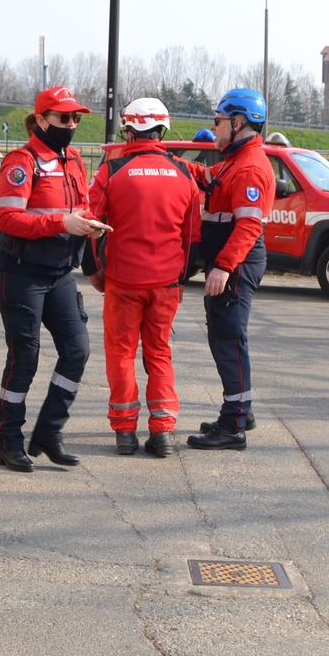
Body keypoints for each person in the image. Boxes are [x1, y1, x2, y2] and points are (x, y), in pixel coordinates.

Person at [0, 86, 106, 471]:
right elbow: (7, 218)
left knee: (77, 351)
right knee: (25, 358)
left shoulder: (74, 159)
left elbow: (81, 206)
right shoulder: (21, 161)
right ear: (41, 120)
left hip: (59, 273)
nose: (72, 124)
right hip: (21, 273)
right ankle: (9, 440)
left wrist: (88, 224)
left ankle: (48, 433)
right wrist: (62, 222)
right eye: (63, 118)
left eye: (76, 118)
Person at [85, 96, 201, 457]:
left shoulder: (112, 171)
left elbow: (90, 225)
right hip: (165, 282)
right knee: (159, 353)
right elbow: (192, 237)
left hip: (122, 279)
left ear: (127, 129)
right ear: (162, 129)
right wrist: (180, 278)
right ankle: (163, 432)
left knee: (121, 354)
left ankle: (124, 434)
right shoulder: (184, 174)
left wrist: (95, 271)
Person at [189, 89, 274, 451]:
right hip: (230, 257)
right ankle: (240, 409)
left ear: (237, 123)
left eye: (219, 120)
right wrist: (172, 163)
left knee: (228, 339)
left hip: (236, 260)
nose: (215, 127)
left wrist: (223, 267)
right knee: (223, 335)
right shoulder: (236, 160)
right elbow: (207, 178)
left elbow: (248, 227)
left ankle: (235, 423)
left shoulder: (251, 167)